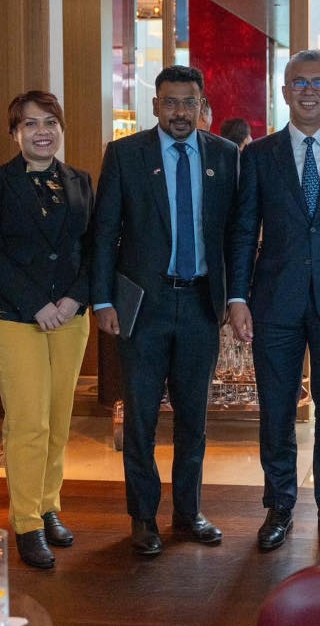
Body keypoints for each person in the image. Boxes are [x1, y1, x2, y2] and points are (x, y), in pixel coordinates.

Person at [227, 49, 320, 551]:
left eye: (319, 82)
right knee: (276, 412)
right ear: (285, 91)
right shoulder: (260, 154)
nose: (309, 90)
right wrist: (237, 297)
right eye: (299, 82)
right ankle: (279, 507)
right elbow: (245, 229)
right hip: (275, 301)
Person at [91, 65, 238, 555]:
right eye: (170, 102)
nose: (180, 112)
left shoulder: (225, 155)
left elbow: (235, 236)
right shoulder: (125, 155)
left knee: (195, 418)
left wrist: (236, 297)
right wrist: (103, 298)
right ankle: (143, 517)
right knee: (141, 418)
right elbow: (104, 232)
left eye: (189, 102)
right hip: (144, 308)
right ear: (155, 105)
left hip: (201, 304)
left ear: (202, 106)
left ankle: (188, 512)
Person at [0, 91, 93, 569]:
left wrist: (73, 298)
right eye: (30, 124)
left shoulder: (81, 182)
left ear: (61, 129)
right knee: (28, 423)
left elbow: (96, 247)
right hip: (14, 317)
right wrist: (36, 303)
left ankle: (48, 507)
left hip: (71, 318)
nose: (42, 131)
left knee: (59, 419)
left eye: (50, 122)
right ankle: (25, 522)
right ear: (14, 133)